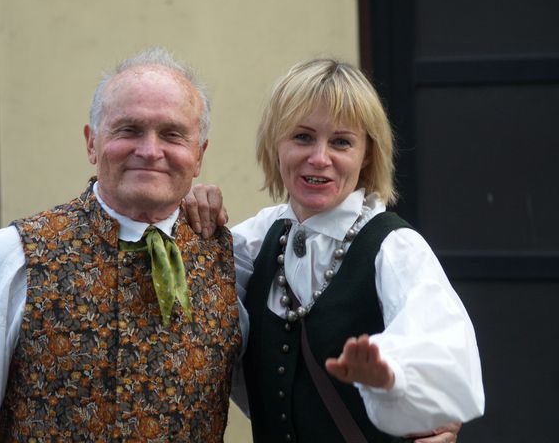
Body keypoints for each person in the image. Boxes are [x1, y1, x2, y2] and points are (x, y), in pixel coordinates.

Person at [0, 47, 243, 442]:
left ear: (198, 155)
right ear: (92, 143)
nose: (150, 150)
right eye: (129, 130)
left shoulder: (229, 259)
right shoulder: (12, 256)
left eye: (172, 134)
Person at [185, 58, 484, 442]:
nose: (320, 158)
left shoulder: (395, 248)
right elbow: (185, 292)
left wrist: (394, 380)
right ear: (276, 143)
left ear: (367, 154)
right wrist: (185, 209)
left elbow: (445, 360)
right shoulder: (256, 240)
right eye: (302, 137)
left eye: (341, 142)